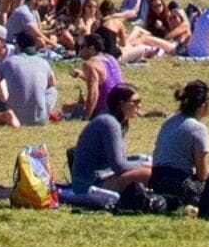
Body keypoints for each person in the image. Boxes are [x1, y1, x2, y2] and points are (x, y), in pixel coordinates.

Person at [65, 82, 154, 211]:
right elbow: (119, 166)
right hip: (89, 185)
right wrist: (143, 164)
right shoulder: (109, 123)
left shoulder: (113, 120)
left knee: (146, 166)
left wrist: (141, 160)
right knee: (148, 173)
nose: (139, 106)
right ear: (121, 104)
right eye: (135, 102)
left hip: (101, 177)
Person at [148, 78, 209, 211]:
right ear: (203, 105)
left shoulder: (170, 120)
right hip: (181, 186)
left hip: (156, 181)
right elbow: (202, 176)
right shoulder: (198, 129)